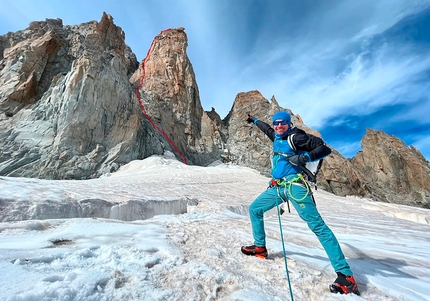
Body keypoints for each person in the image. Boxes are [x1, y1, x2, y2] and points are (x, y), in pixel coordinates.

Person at [241, 111, 359, 295]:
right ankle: (260, 248)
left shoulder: (296, 137)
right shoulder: (276, 135)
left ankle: (346, 276)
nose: (278, 126)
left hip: (296, 187)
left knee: (317, 226)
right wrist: (254, 120)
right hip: (278, 187)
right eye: (275, 123)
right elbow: (266, 129)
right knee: (255, 209)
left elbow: (324, 149)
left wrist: (304, 158)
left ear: (288, 124)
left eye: (282, 123)